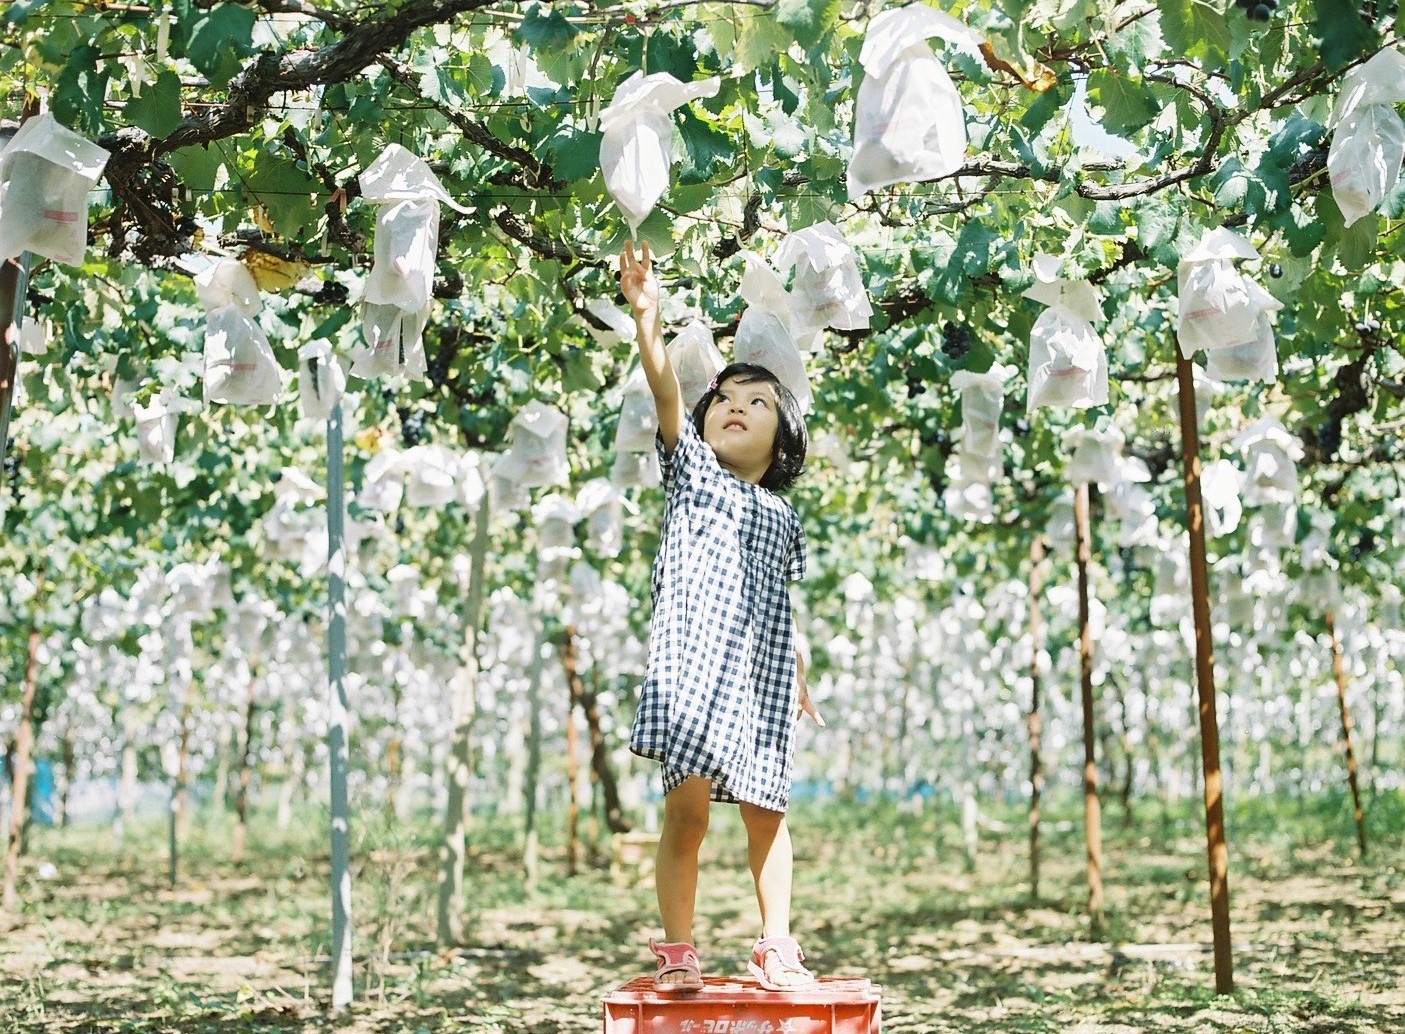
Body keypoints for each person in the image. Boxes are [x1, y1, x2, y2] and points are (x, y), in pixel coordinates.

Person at [618, 241, 825, 994]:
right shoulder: (696, 478)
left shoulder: (781, 514)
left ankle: (776, 946)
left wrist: (800, 672)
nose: (735, 405)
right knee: (689, 819)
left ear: (783, 443)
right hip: (697, 672)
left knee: (767, 815)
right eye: (726, 399)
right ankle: (678, 952)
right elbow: (667, 396)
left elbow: (784, 604)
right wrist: (649, 322)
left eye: (757, 402)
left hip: (762, 679)